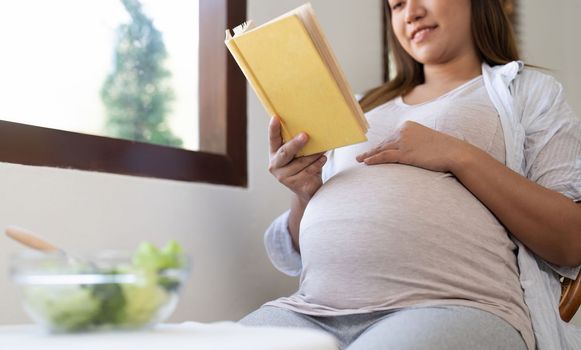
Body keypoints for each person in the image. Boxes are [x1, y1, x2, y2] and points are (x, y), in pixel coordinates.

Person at [239, 0, 581, 349]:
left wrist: (456, 153)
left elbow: (571, 240)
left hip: (450, 305)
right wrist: (305, 190)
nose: (410, 12)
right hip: (312, 308)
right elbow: (296, 249)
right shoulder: (357, 107)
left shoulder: (526, 92)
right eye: (396, 5)